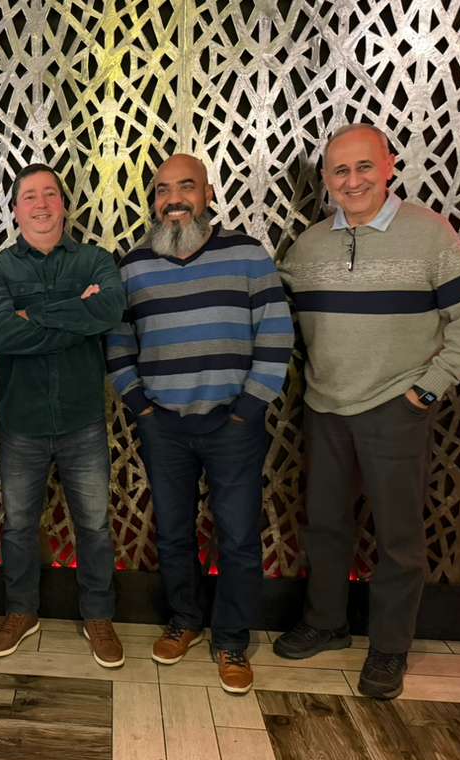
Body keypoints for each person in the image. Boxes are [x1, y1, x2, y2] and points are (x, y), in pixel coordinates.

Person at [274, 124, 460, 699]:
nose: (353, 181)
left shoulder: (429, 234)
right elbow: (273, 311)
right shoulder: (308, 247)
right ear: (326, 179)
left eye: (364, 167)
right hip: (325, 407)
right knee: (325, 524)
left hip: (396, 409)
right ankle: (326, 622)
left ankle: (390, 646)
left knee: (398, 537)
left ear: (389, 166)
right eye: (340, 171)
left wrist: (426, 391)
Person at [107, 154, 294, 694]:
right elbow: (118, 341)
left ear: (208, 194)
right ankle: (184, 620)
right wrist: (140, 407)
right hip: (163, 425)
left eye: (186, 187)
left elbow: (276, 335)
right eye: (162, 190)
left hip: (234, 424)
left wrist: (247, 410)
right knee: (173, 533)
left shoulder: (247, 255)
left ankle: (231, 639)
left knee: (238, 537)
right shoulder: (133, 265)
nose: (174, 199)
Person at [0, 163, 126, 668]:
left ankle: (98, 616)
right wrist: (76, 312)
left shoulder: (95, 260)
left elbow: (109, 312)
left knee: (95, 526)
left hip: (83, 419)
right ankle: (21, 612)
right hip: (21, 422)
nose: (40, 205)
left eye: (49, 194)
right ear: (16, 210)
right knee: (18, 527)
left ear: (63, 204)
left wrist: (34, 314)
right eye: (29, 197)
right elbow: (2, 335)